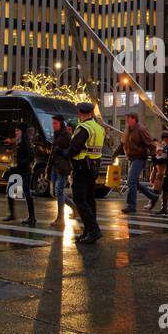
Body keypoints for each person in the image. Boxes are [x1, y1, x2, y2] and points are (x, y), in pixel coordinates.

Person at [66, 101, 105, 244]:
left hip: (82, 168)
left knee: (80, 200)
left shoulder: (83, 128)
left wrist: (64, 153)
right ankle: (88, 232)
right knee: (89, 199)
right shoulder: (99, 128)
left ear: (81, 114)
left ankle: (94, 231)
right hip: (93, 167)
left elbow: (74, 148)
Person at [117, 113, 158, 214]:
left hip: (139, 158)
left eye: (128, 119)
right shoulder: (128, 129)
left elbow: (150, 144)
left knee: (131, 181)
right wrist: (114, 155)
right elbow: (122, 143)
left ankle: (131, 205)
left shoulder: (141, 129)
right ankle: (153, 196)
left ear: (134, 119)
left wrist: (154, 158)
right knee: (134, 182)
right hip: (132, 158)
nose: (127, 121)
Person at [3, 122, 37, 224]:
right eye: (15, 131)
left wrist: (20, 164)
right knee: (10, 191)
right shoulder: (19, 141)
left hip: (25, 171)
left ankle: (32, 217)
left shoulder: (26, 143)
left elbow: (31, 157)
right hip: (17, 170)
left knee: (27, 193)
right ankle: (12, 214)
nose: (16, 132)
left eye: (18, 131)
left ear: (22, 132)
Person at [48, 115, 73, 229]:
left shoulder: (66, 135)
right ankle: (74, 207)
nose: (53, 125)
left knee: (59, 190)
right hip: (54, 166)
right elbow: (52, 152)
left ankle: (60, 218)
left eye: (55, 123)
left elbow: (70, 151)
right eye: (52, 123)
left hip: (62, 167)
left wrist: (61, 151)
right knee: (55, 192)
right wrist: (48, 167)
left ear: (61, 124)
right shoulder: (57, 135)